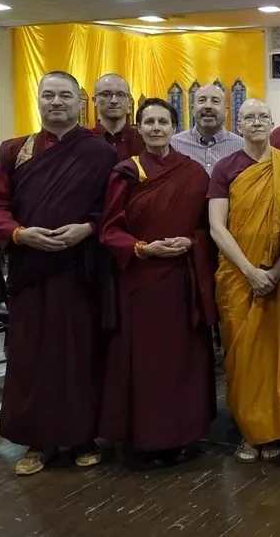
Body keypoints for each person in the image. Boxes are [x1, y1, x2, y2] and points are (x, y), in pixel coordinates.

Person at [0, 71, 118, 475]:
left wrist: (88, 228)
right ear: (38, 100)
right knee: (32, 356)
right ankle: (37, 442)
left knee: (79, 354)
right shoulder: (16, 150)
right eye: (49, 95)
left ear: (80, 102)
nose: (56, 102)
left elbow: (116, 208)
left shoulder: (100, 153)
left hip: (80, 270)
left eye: (65, 96)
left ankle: (83, 437)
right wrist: (19, 233)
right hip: (31, 270)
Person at [98, 98, 216, 465]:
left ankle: (183, 435)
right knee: (144, 363)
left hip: (182, 279)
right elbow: (110, 228)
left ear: (173, 127)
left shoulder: (194, 173)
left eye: (163, 122)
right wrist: (141, 248)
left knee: (183, 360)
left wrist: (191, 243)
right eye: (149, 122)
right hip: (140, 281)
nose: (156, 128)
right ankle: (143, 438)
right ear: (139, 126)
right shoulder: (126, 172)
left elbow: (208, 228)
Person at [209, 99, 280, 463]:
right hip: (239, 276)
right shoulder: (226, 167)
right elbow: (217, 227)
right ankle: (250, 433)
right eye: (248, 117)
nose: (256, 122)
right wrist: (251, 272)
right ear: (239, 124)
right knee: (243, 356)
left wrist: (277, 270)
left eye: (262, 117)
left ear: (272, 122)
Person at [170, 84, 244, 175]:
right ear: (192, 109)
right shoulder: (173, 145)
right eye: (202, 100)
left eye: (215, 101)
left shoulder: (242, 147)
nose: (208, 106)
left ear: (226, 111)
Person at [91, 73, 144, 161]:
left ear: (130, 101)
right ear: (95, 100)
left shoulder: (143, 141)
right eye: (106, 94)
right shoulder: (83, 141)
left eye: (120, 94)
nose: (114, 101)